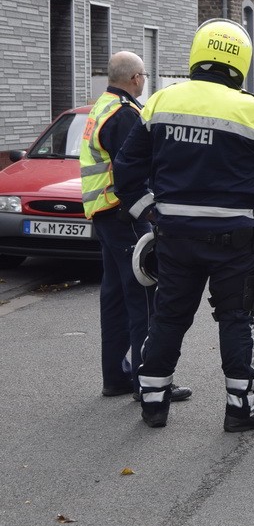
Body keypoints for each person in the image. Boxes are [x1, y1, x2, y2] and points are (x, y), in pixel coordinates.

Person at [113, 19, 254, 431]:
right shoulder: (249, 108)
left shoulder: (161, 102)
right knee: (236, 318)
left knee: (168, 318)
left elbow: (125, 169)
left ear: (196, 55)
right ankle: (241, 408)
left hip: (174, 235)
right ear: (241, 62)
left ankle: (154, 404)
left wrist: (150, 212)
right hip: (234, 240)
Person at [80, 52, 191, 403]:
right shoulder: (125, 115)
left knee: (115, 296)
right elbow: (137, 170)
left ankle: (116, 377)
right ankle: (150, 382)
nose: (144, 81)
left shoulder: (102, 106)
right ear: (133, 79)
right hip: (126, 214)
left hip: (105, 214)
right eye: (143, 75)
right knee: (144, 296)